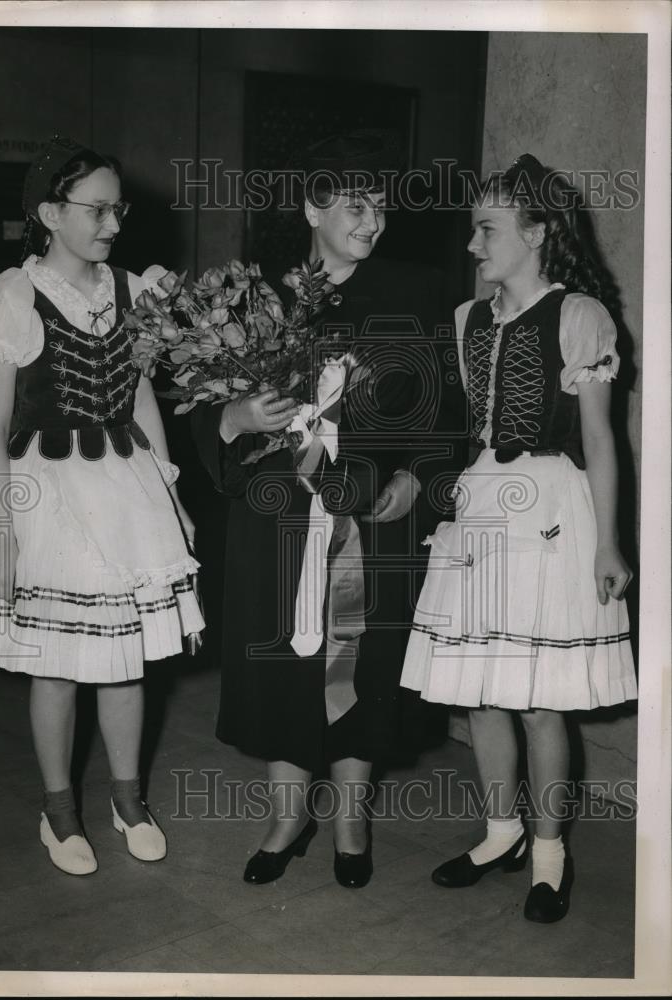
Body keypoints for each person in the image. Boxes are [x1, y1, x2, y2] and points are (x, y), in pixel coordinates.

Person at [192, 132, 465, 888]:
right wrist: (234, 420)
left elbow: (449, 409)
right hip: (277, 518)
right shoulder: (250, 304)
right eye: (354, 205)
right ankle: (287, 815)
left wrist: (418, 478)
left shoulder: (417, 290)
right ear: (310, 207)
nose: (372, 220)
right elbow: (205, 415)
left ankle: (350, 817)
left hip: (373, 517)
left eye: (378, 205)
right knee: (285, 660)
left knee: (361, 658)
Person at [0, 134, 204, 876]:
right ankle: (58, 813)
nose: (112, 223)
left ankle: (128, 800)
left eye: (118, 209)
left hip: (124, 489)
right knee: (54, 665)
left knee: (123, 663)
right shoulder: (13, 295)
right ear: (50, 213)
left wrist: (172, 493)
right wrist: (1, 534)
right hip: (45, 495)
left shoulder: (133, 290)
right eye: (96, 209)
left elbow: (142, 395)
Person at [400, 154, 637, 922]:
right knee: (480, 694)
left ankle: (547, 854)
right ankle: (499, 833)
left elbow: (601, 442)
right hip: (481, 506)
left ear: (535, 233)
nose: (473, 245)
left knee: (539, 701)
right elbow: (461, 430)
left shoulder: (580, 316)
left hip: (551, 511)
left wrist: (607, 544)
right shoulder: (469, 320)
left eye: (487, 229)